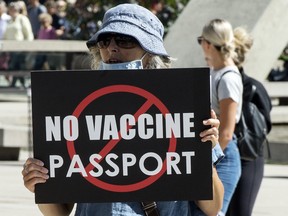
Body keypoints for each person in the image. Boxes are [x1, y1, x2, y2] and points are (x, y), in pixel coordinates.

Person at [22, 4, 224, 216]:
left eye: (125, 40)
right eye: (104, 41)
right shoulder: (75, 110)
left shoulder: (183, 108)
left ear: (150, 51)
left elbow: (213, 207)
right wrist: (39, 185)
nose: (112, 48)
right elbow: (60, 212)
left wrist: (204, 155)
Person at [197, 18, 242, 215]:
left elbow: (226, 132)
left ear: (207, 43)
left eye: (200, 40)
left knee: (215, 212)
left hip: (222, 153)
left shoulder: (228, 77)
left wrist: (208, 160)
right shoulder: (217, 72)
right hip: (216, 150)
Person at [226, 27, 272, 216]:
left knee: (240, 211)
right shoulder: (216, 81)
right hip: (227, 155)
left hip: (248, 157)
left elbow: (264, 126)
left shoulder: (253, 87)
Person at [3, 1, 34, 88]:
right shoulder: (9, 21)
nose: (13, 10)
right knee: (15, 66)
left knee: (15, 66)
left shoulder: (23, 19)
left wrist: (28, 48)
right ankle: (21, 84)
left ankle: (14, 84)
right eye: (11, 9)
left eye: (14, 9)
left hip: (21, 49)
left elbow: (28, 34)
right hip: (10, 50)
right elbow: (6, 35)